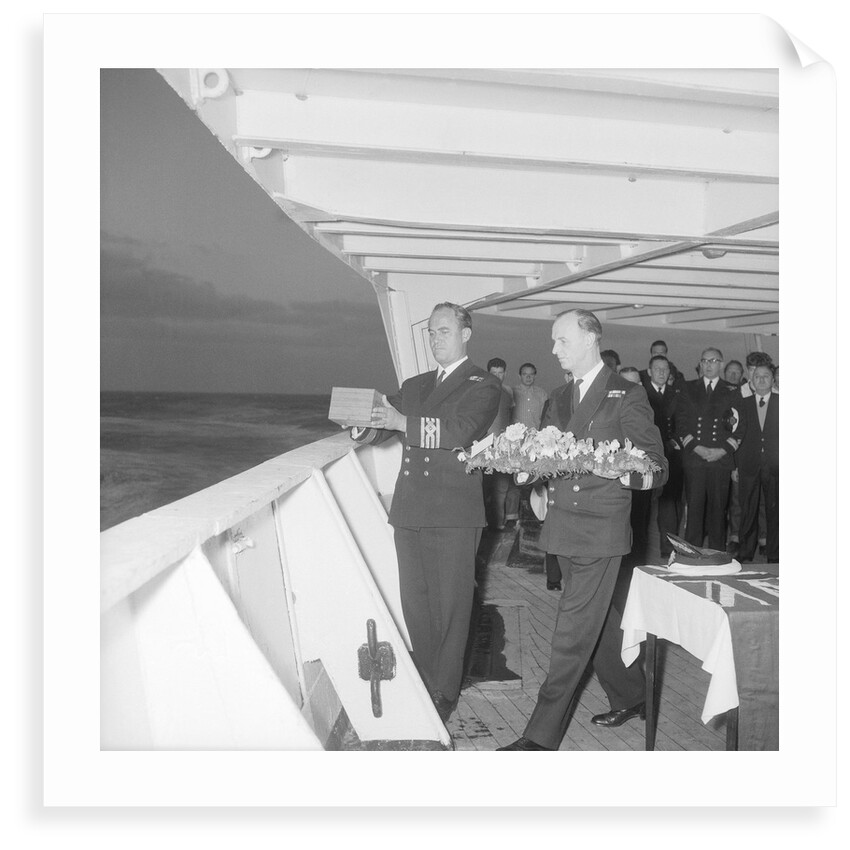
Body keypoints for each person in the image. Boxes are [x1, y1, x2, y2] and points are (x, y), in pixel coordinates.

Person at [498, 309, 667, 751]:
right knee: (599, 622)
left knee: (572, 634)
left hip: (600, 532)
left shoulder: (626, 394)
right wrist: (523, 471)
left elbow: (657, 464)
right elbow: (546, 454)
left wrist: (618, 469)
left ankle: (539, 737)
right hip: (563, 526)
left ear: (591, 338)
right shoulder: (557, 397)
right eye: (553, 342)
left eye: (561, 341)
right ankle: (633, 695)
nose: (554, 350)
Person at [349, 302, 501, 722]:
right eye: (431, 332)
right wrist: (362, 424)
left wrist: (401, 421)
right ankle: (428, 678)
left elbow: (459, 431)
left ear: (466, 334)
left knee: (451, 605)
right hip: (411, 507)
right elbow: (387, 422)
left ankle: (446, 689)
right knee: (415, 603)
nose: (436, 338)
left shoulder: (483, 384)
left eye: (444, 331)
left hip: (453, 510)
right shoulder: (415, 385)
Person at [676, 347, 745, 551]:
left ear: (721, 364)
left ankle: (717, 556)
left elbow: (740, 426)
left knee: (718, 511)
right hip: (695, 459)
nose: (708, 365)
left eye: (713, 361)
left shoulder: (733, 391)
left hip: (720, 460)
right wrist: (698, 448)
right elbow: (681, 423)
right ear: (700, 364)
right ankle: (691, 556)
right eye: (705, 361)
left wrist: (722, 450)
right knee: (694, 509)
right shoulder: (687, 388)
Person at [736, 364, 779, 563]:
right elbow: (735, 437)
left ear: (773, 380)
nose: (761, 380)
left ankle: (775, 554)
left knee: (776, 510)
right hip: (748, 464)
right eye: (757, 376)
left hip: (776, 465)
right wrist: (735, 466)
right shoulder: (742, 404)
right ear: (751, 381)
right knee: (748, 509)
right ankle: (745, 553)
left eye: (766, 376)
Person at [643, 355, 684, 560]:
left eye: (665, 369)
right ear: (649, 371)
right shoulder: (640, 393)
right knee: (643, 504)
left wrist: (676, 441)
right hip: (646, 456)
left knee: (669, 504)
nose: (661, 372)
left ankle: (667, 549)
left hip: (671, 455)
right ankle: (639, 549)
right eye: (657, 369)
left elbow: (683, 421)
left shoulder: (676, 394)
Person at [504, 362, 549, 526]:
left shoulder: (542, 394)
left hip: (536, 444)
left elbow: (545, 417)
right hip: (515, 444)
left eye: (531, 374)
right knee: (515, 481)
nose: (528, 377)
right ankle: (511, 517)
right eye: (525, 374)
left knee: (537, 480)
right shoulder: (512, 393)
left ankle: (539, 516)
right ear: (519, 375)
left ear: (535, 375)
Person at [483, 357, 514, 530]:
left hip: (503, 448)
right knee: (483, 488)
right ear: (488, 373)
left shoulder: (508, 393)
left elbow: (509, 420)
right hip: (483, 448)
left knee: (502, 488)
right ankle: (484, 525)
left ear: (505, 373)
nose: (497, 376)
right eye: (493, 373)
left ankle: (499, 525)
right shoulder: (479, 391)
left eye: (500, 373)